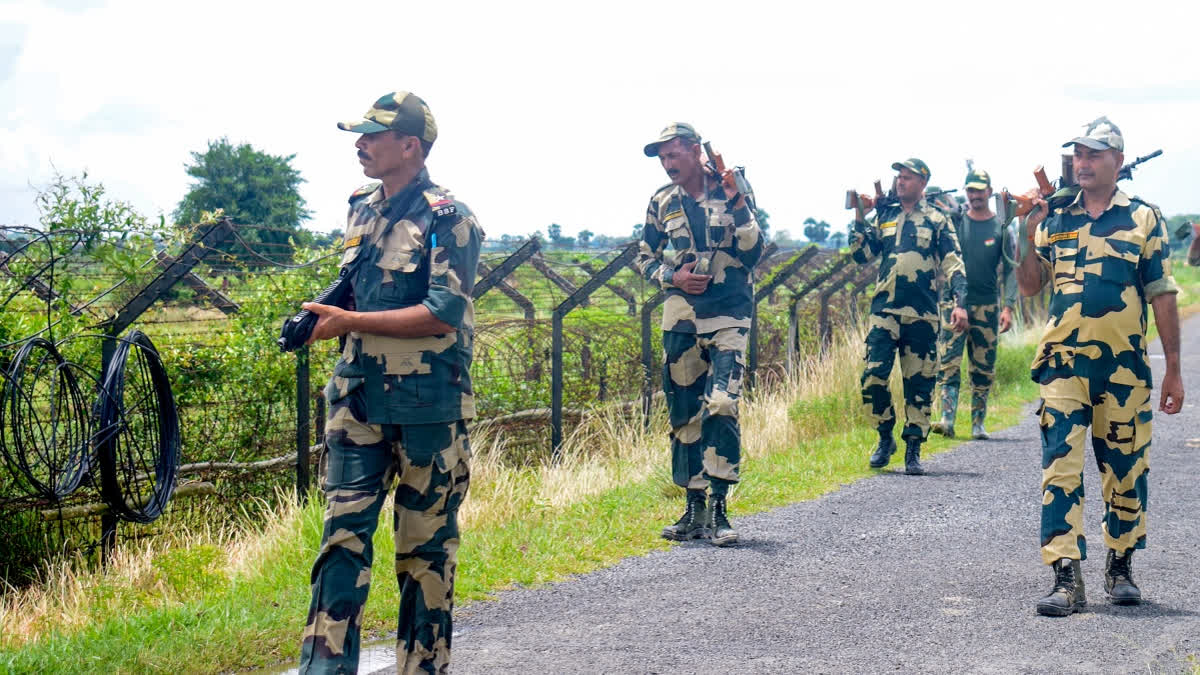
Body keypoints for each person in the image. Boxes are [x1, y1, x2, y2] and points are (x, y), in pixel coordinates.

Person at [298, 91, 484, 673]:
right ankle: (323, 667)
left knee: (423, 555)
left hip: (428, 408)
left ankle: (421, 667)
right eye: (361, 135)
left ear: (411, 145)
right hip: (356, 402)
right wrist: (325, 322)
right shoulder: (360, 205)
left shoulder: (449, 218)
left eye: (373, 135)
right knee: (340, 542)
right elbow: (358, 285)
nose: (360, 144)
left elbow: (441, 312)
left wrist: (351, 321)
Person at [1015, 116, 1182, 616]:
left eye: (1094, 155)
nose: (1083, 163)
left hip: (1124, 369)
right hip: (1062, 367)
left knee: (1126, 468)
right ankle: (1066, 578)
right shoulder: (1054, 218)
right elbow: (1028, 286)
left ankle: (1121, 565)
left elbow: (1162, 293)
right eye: (1078, 155)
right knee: (1060, 471)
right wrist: (1027, 232)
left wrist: (1173, 367)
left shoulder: (1144, 219)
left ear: (1118, 162)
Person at [635, 123, 763, 547]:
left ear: (695, 152)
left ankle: (722, 508)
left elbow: (754, 248)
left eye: (674, 155)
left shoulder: (731, 188)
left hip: (728, 314)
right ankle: (694, 509)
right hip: (681, 318)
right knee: (683, 412)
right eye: (662, 158)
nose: (668, 164)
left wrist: (736, 199)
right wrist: (672, 275)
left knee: (722, 404)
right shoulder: (661, 201)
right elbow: (643, 256)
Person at [850, 158, 967, 475]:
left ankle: (913, 448)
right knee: (873, 377)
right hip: (884, 312)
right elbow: (862, 255)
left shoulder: (937, 220)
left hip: (923, 315)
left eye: (907, 177)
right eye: (898, 177)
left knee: (920, 384)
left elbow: (954, 262)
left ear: (922, 183)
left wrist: (960, 302)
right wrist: (861, 218)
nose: (900, 181)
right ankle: (885, 435)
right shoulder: (885, 215)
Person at [929, 168, 1017, 439]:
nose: (975, 195)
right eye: (971, 190)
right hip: (954, 304)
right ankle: (947, 419)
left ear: (989, 192)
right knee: (949, 363)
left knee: (983, 367)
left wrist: (1008, 307)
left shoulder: (1000, 227)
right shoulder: (957, 223)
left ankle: (978, 423)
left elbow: (1011, 268)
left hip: (987, 305)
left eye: (980, 190)